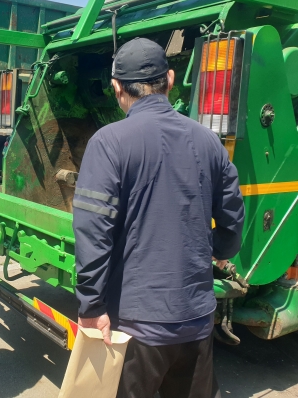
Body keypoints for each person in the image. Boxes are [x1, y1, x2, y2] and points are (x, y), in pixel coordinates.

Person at [72, 38, 245, 398]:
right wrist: (220, 249)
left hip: (137, 325)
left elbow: (93, 232)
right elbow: (231, 216)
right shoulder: (209, 142)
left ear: (117, 87)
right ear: (170, 79)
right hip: (196, 318)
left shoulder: (109, 142)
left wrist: (91, 305)